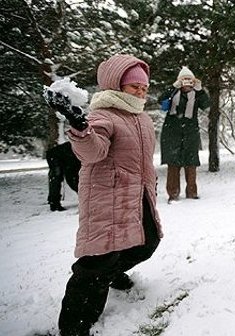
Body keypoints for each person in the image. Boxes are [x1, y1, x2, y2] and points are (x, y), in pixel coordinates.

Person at [44, 54, 163, 336]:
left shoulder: (142, 118)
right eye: (134, 85)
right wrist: (79, 126)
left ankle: (110, 275)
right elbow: (92, 152)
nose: (141, 90)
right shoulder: (103, 115)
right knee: (97, 263)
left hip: (138, 196)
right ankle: (74, 326)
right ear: (116, 85)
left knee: (147, 242)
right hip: (107, 198)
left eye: (144, 86)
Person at [159, 67, 210, 202]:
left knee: (191, 163)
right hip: (172, 132)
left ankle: (192, 193)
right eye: (184, 80)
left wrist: (200, 90)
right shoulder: (172, 92)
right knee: (173, 164)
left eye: (190, 81)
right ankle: (173, 194)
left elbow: (206, 105)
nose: (187, 84)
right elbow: (161, 100)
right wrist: (173, 87)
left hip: (190, 132)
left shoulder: (197, 95)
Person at [46, 141, 80, 211]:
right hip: (56, 156)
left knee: (57, 178)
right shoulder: (79, 156)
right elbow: (72, 179)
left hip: (62, 156)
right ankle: (54, 203)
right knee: (56, 178)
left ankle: (53, 201)